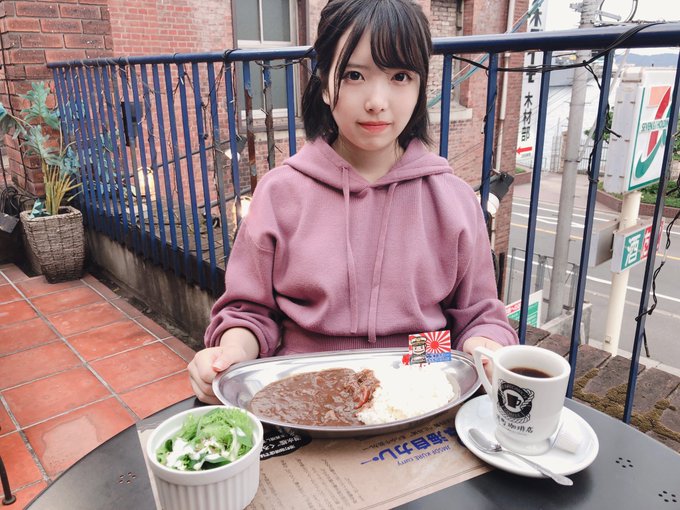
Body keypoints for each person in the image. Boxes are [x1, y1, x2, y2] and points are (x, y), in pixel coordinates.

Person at [189, 0, 519, 404]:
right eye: (354, 75)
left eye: (400, 76)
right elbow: (248, 312)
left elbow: (481, 315)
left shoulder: (454, 200)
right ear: (324, 82)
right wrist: (229, 355)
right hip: (302, 387)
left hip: (422, 381)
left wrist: (485, 345)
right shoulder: (279, 193)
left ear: (420, 86)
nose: (377, 101)